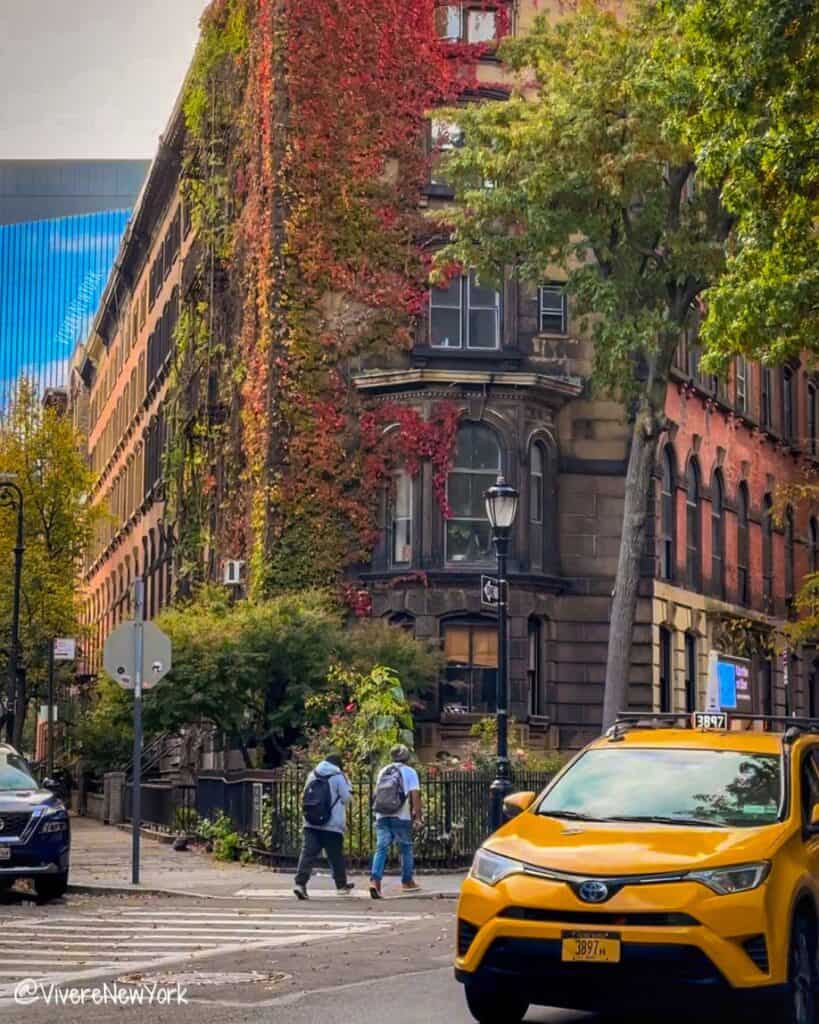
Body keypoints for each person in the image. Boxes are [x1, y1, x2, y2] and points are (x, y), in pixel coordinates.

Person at [294, 753, 354, 900]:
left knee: (307, 854)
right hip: (331, 824)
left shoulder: (312, 774)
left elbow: (305, 795)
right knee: (335, 856)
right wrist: (348, 784)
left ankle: (300, 884)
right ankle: (341, 886)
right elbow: (347, 799)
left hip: (311, 822)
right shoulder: (338, 776)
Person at [369, 743, 422, 899]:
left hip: (382, 815)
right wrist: (417, 817)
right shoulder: (410, 772)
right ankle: (407, 881)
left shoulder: (383, 771)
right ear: (407, 757)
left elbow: (376, 794)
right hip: (401, 815)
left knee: (381, 848)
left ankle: (375, 881)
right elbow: (415, 796)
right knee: (405, 848)